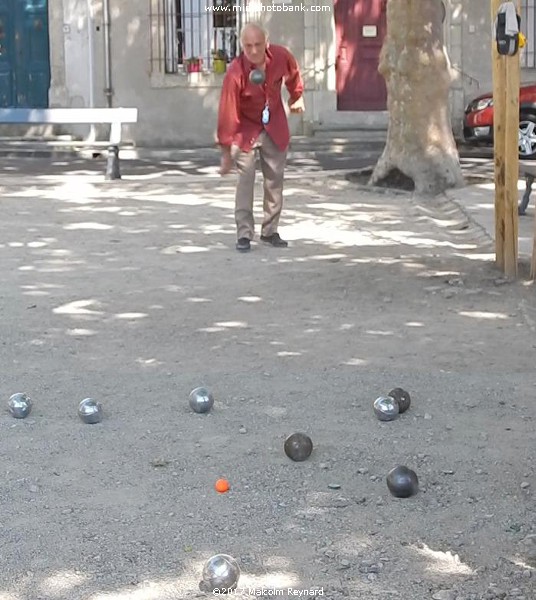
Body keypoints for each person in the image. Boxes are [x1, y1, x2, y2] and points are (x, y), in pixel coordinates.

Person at [217, 22, 305, 252]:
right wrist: (226, 153)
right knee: (245, 180)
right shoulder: (235, 73)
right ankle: (244, 233)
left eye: (257, 45)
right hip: (245, 129)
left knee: (274, 179)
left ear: (266, 43)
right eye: (248, 46)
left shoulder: (280, 56)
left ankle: (270, 231)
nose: (253, 51)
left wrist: (296, 96)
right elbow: (228, 113)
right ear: (242, 46)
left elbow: (293, 73)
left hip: (273, 124)